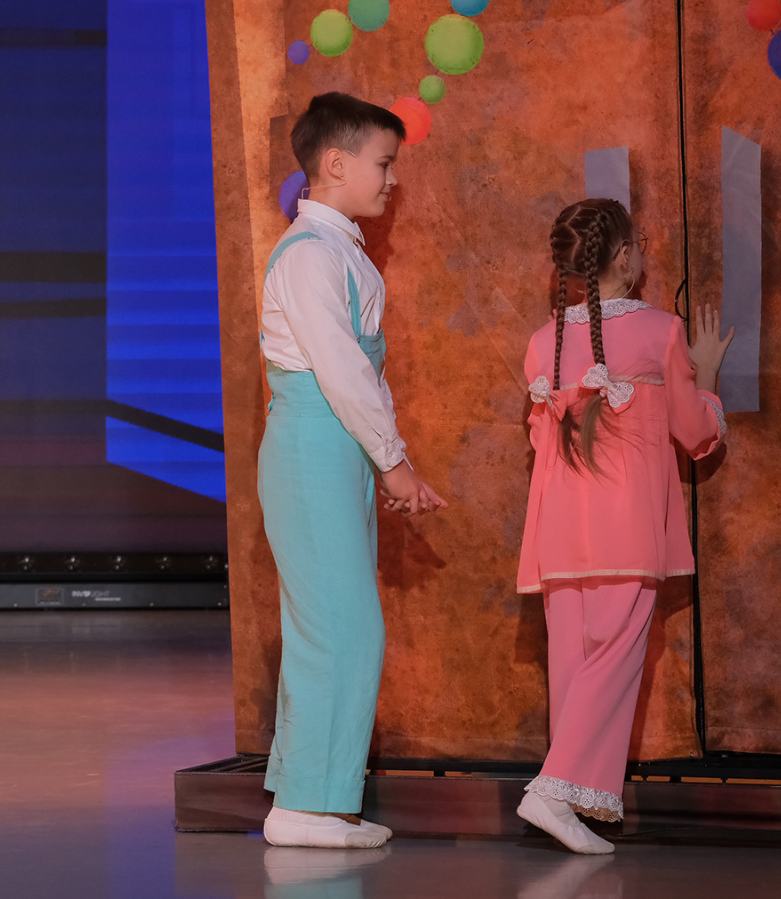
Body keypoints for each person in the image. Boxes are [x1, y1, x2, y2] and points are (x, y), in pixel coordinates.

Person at [257, 92, 447, 849]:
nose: (392, 180)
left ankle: (316, 800)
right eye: (383, 163)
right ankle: (305, 806)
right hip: (312, 443)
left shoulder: (340, 250)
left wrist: (388, 461)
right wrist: (393, 464)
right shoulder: (309, 253)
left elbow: (365, 377)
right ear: (335, 164)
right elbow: (339, 371)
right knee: (340, 628)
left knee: (336, 627)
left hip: (337, 448)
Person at [514, 198, 732, 854]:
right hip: (625, 528)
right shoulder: (660, 331)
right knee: (612, 660)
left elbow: (542, 439)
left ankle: (566, 803)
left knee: (573, 662)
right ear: (623, 256)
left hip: (559, 533)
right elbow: (694, 433)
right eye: (637, 244)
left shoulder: (542, 342)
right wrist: (707, 375)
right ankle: (553, 792)